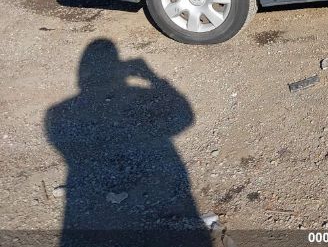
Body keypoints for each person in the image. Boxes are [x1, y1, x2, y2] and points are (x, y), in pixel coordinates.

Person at [45, 39, 210, 246]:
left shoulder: (57, 113)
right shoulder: (60, 112)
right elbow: (186, 117)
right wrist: (152, 77)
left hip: (83, 210)